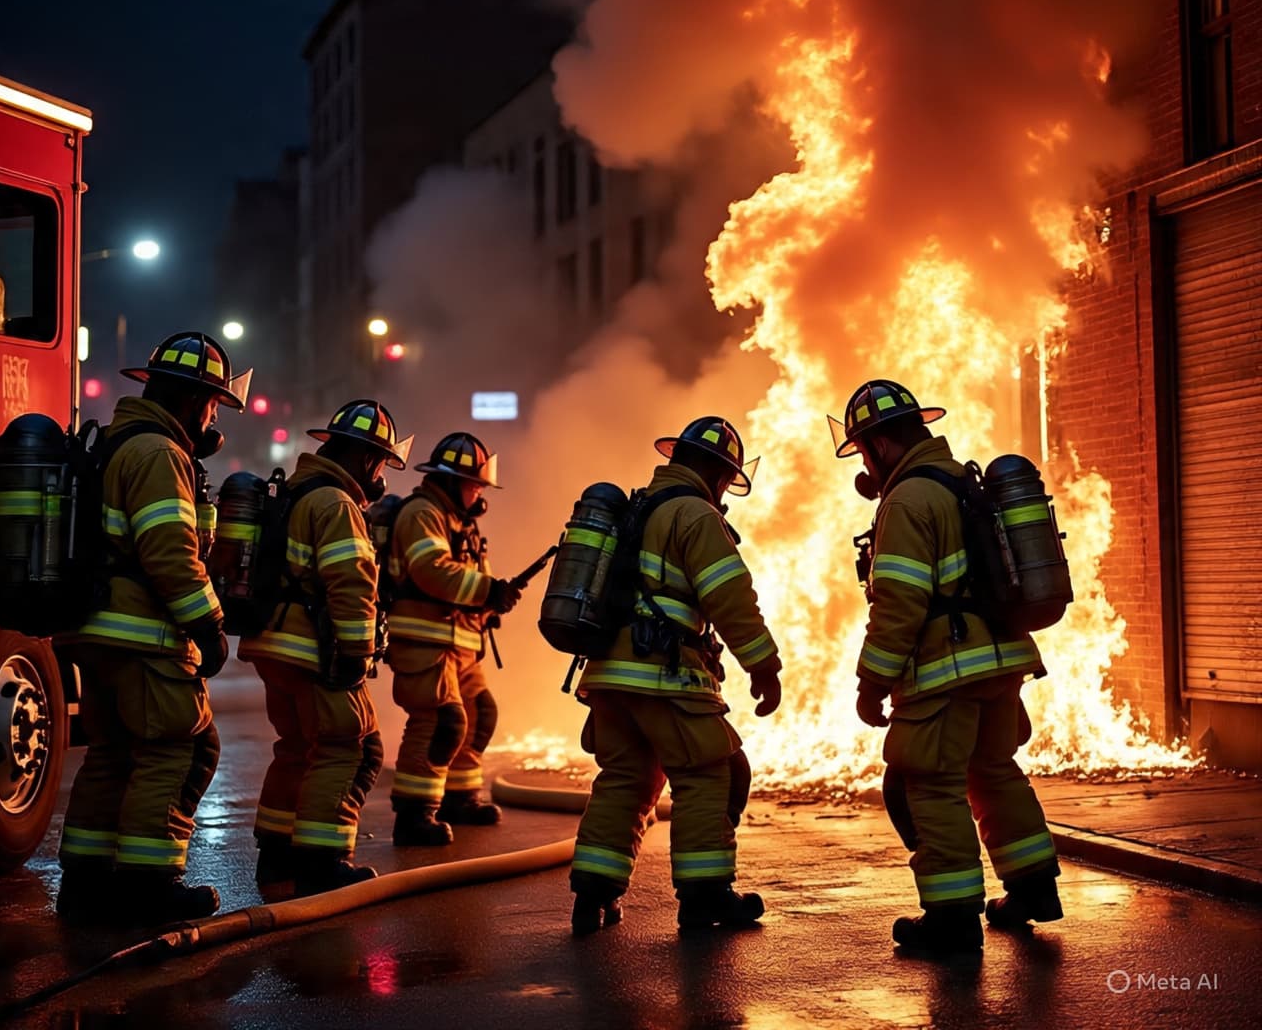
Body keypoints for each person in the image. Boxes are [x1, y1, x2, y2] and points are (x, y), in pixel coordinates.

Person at [832, 378, 1062, 958]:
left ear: (881, 445)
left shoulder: (909, 500)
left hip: (946, 670)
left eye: (863, 450)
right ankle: (1033, 890)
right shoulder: (961, 480)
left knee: (930, 787)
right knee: (993, 770)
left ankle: (952, 919)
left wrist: (872, 682)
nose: (864, 463)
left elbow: (900, 603)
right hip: (1000, 661)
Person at [56, 331, 250, 924]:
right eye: (213, 403)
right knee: (180, 749)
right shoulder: (159, 454)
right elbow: (169, 551)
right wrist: (209, 625)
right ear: (193, 400)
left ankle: (86, 886)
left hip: (99, 633)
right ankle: (149, 884)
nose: (215, 416)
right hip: (144, 636)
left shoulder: (121, 442)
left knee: (113, 754)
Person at [570, 416, 783, 935]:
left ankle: (593, 898)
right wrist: (763, 664)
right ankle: (706, 895)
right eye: (728, 478)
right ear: (716, 471)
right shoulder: (694, 514)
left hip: (610, 676)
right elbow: (729, 596)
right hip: (663, 673)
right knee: (712, 773)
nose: (726, 489)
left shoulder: (639, 508)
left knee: (625, 779)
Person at [238, 399, 410, 896]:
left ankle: (277, 863)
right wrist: (355, 658)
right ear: (362, 457)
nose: (381, 473)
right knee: (350, 748)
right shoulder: (336, 503)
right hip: (313, 651)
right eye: (380, 461)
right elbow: (350, 583)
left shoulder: (295, 492)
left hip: (274, 645)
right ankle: (322, 863)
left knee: (296, 750)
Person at [385, 432, 518, 846]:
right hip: (426, 642)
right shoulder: (422, 513)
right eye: (474, 483)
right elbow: (431, 571)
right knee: (437, 721)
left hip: (459, 643)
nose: (479, 493)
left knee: (480, 713)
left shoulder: (462, 524)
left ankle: (458, 797)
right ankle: (414, 813)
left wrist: (492, 602)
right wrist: (487, 589)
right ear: (450, 481)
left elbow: (468, 582)